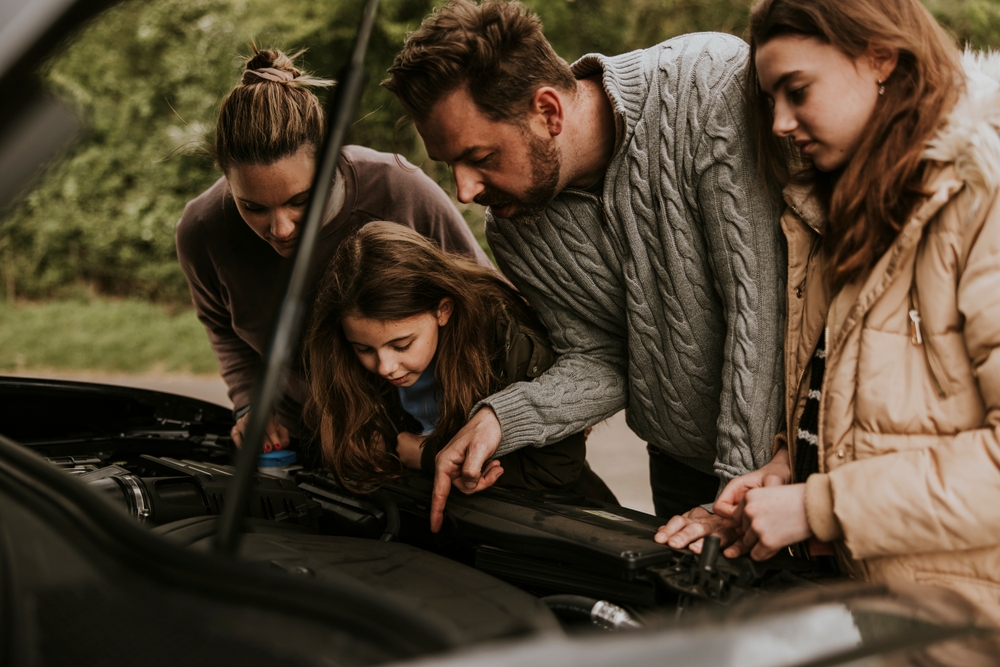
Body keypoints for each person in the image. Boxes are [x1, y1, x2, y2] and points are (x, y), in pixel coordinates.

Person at [383, 0, 786, 532]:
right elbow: (601, 356)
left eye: (480, 158)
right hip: (679, 470)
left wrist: (732, 496)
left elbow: (759, 309)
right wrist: (500, 418)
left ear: (548, 111)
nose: (464, 190)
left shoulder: (705, 86)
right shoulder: (514, 227)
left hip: (788, 467)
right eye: (450, 166)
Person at [672, 0, 1000, 620]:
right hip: (894, 616)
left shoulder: (983, 195)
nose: (779, 123)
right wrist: (789, 466)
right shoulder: (857, 205)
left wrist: (818, 506)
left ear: (879, 56)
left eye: (797, 91)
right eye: (771, 100)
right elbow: (890, 403)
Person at [176, 45, 491, 453]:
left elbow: (486, 306)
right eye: (252, 207)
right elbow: (222, 326)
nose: (281, 229)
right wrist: (249, 402)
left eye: (299, 201)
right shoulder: (202, 231)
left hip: (434, 434)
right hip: (310, 439)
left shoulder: (399, 189)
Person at [302, 221, 616, 502]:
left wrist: (424, 457)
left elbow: (555, 467)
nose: (384, 366)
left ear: (443, 310)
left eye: (402, 344)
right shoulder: (349, 360)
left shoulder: (506, 338)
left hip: (551, 523)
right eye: (363, 349)